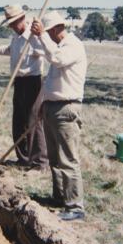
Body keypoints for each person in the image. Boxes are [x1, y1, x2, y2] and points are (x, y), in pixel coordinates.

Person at [31, 11, 87, 221]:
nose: (47, 36)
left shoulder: (72, 46)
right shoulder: (57, 45)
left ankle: (75, 206)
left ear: (54, 29)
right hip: (52, 107)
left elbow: (56, 59)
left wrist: (41, 36)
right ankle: (59, 197)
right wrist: (42, 106)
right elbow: (51, 81)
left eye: (48, 33)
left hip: (66, 109)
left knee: (67, 159)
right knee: (55, 158)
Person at [0, 4, 48, 170]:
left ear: (22, 19)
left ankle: (40, 163)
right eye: (9, 23)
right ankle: (23, 159)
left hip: (33, 82)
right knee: (18, 122)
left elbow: (48, 51)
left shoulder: (33, 37)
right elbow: (9, 50)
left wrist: (41, 34)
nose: (11, 26)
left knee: (33, 122)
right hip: (18, 82)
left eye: (14, 22)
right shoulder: (16, 37)